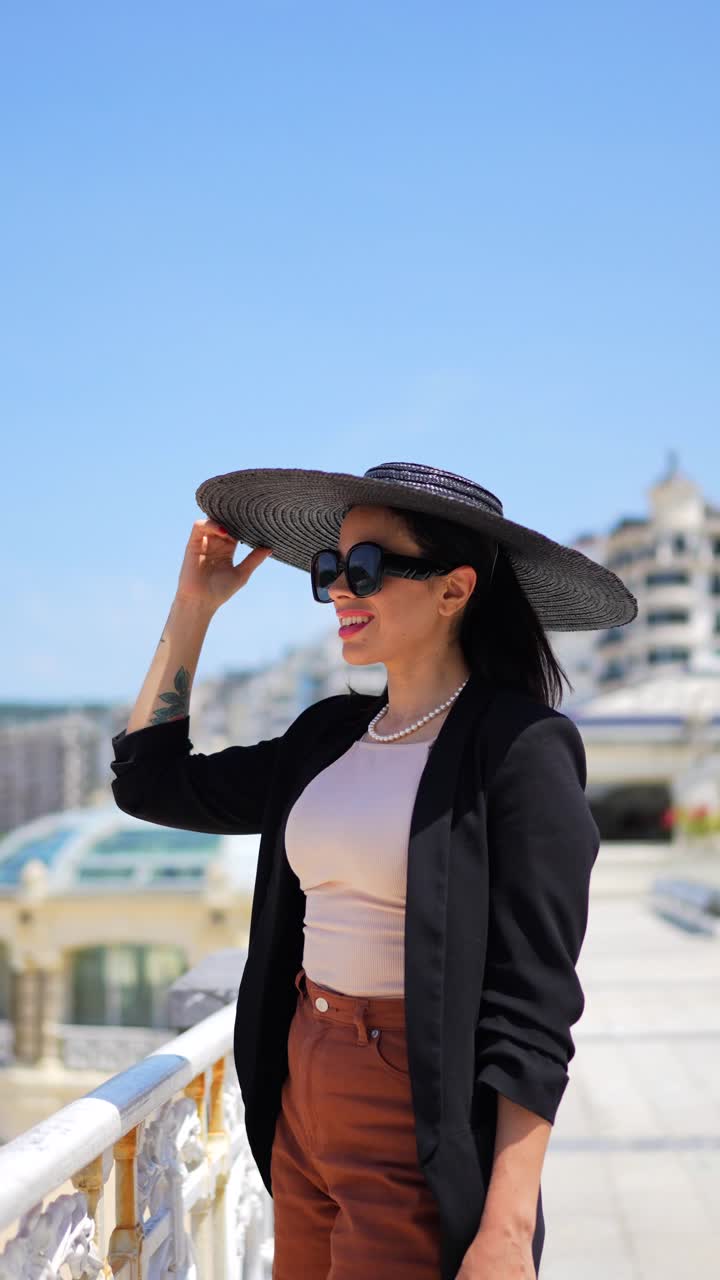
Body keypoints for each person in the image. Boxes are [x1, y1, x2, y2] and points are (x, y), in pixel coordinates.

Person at [110, 460, 637, 1280]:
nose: (340, 592)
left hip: (412, 1102)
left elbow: (536, 1004)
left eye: (365, 568)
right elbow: (149, 780)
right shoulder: (327, 737)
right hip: (298, 1086)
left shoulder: (520, 748)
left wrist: (507, 1226)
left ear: (455, 590)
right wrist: (193, 611)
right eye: (331, 570)